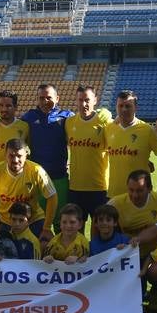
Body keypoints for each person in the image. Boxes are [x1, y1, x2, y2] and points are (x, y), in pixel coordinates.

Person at [0, 137, 58, 242]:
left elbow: (52, 196)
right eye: (11, 155)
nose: (15, 160)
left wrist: (46, 227)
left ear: (26, 156)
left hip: (33, 219)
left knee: (45, 245)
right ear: (5, 155)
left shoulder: (36, 171)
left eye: (19, 156)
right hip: (5, 221)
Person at [21, 83, 73, 214]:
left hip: (59, 177)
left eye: (49, 97)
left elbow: (86, 122)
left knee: (60, 217)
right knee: (38, 218)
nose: (45, 101)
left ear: (57, 98)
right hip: (36, 178)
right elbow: (12, 127)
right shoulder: (28, 117)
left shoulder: (67, 117)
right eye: (41, 98)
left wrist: (101, 114)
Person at [65, 85, 111, 221]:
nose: (83, 104)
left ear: (95, 100)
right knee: (75, 229)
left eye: (87, 100)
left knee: (100, 229)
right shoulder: (69, 122)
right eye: (80, 100)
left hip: (99, 188)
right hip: (75, 187)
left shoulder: (105, 122)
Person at [103, 90, 157, 198]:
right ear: (116, 107)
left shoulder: (147, 130)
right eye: (121, 106)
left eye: (128, 106)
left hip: (139, 194)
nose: (124, 109)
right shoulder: (109, 129)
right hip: (114, 194)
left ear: (136, 108)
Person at [110, 170, 157, 251]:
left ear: (150, 188)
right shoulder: (116, 203)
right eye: (131, 190)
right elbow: (97, 219)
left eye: (139, 190)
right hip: (128, 254)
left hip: (155, 254)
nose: (135, 195)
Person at [0, 90, 31, 168]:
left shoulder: (24, 127)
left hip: (16, 175)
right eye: (1, 105)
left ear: (16, 107)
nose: (4, 109)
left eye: (8, 106)